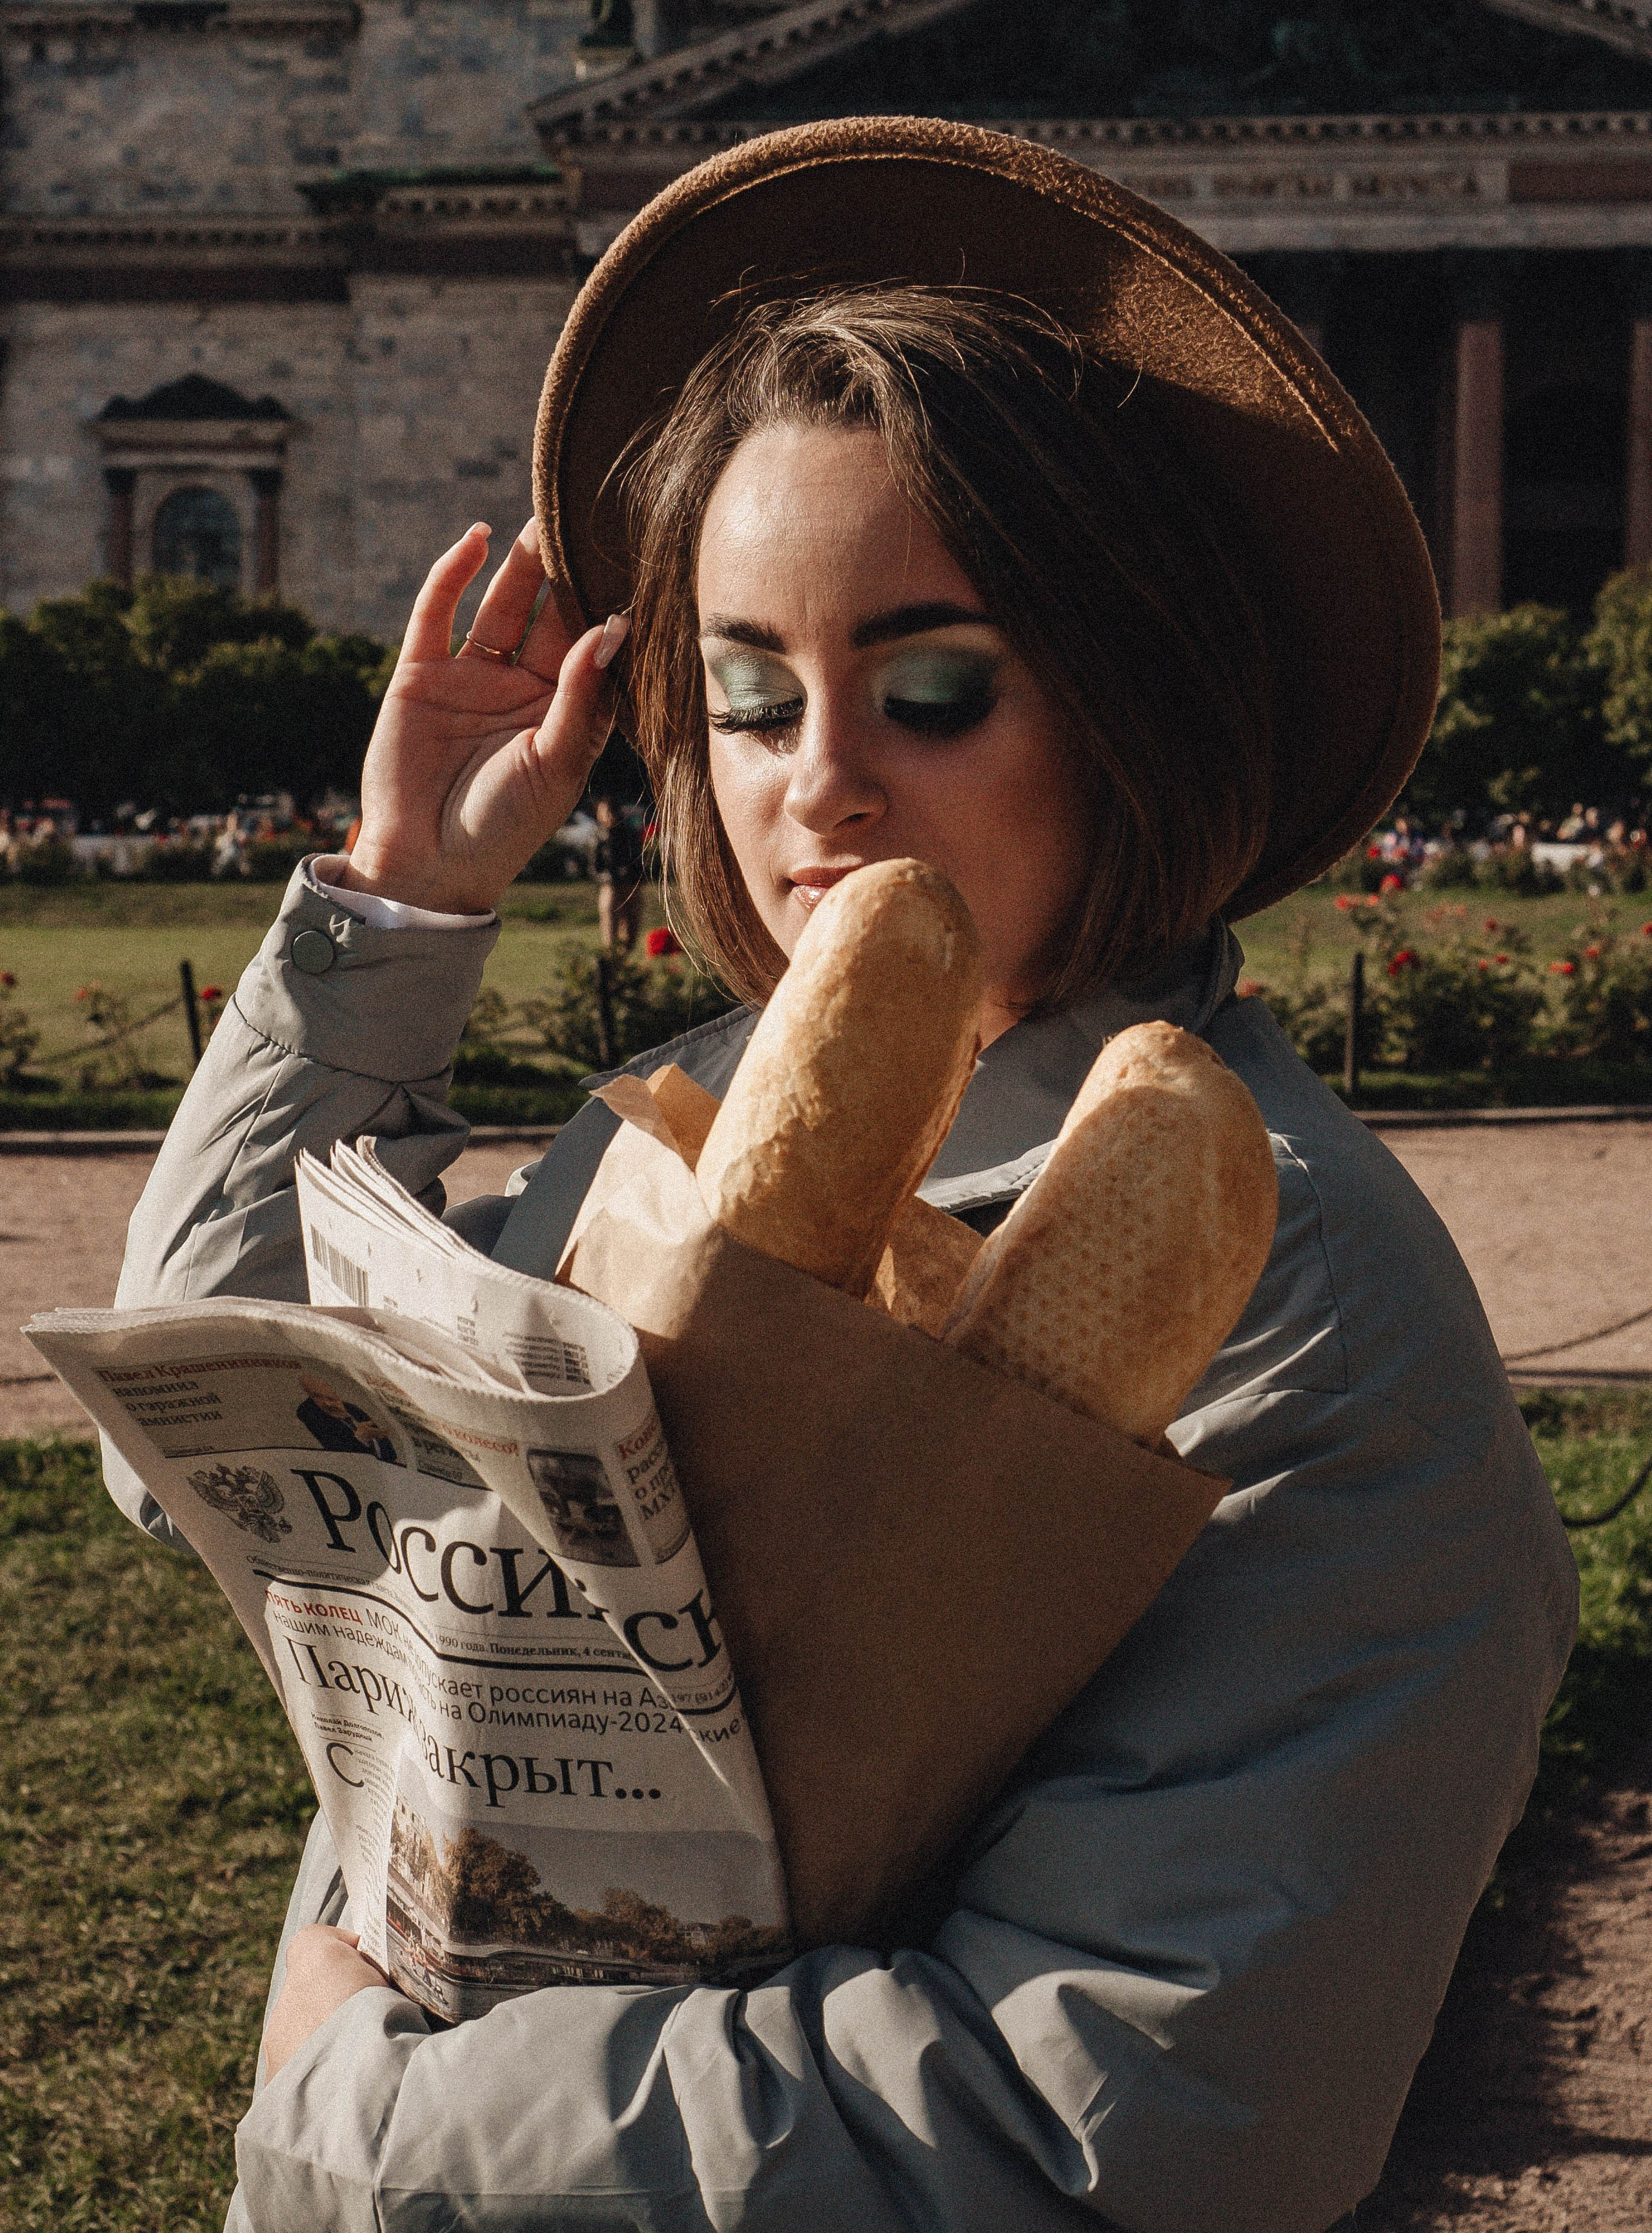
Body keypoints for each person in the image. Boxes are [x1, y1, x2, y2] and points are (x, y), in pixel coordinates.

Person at [103, 119, 1575, 2233]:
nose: (821, 785)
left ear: (1130, 698)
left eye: (933, 684)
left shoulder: (1296, 1309)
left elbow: (1117, 2135)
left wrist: (363, 2110)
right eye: (745, 691)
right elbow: (207, 1451)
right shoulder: (676, 1126)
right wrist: (399, 910)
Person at [590, 789, 643, 953]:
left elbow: (638, 859)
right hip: (611, 886)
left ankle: (624, 956)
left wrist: (631, 873)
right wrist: (610, 877)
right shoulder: (598, 839)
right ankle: (609, 952)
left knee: (630, 933)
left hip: (630, 885)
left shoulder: (629, 835)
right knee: (610, 908)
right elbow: (595, 869)